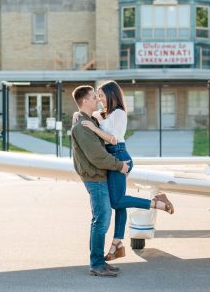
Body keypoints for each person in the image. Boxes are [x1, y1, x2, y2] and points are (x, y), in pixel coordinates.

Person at [73, 80, 174, 262]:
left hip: (119, 156)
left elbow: (113, 139)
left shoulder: (119, 113)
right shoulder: (104, 114)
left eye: (101, 95)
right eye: (96, 96)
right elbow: (84, 112)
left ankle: (157, 202)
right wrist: (77, 114)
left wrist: (95, 128)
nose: (99, 98)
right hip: (113, 158)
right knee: (119, 202)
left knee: (117, 200)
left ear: (111, 95)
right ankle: (117, 244)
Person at [71, 85, 130, 277]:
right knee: (101, 220)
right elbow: (97, 156)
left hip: (99, 176)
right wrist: (119, 165)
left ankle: (98, 261)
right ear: (85, 101)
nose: (97, 99)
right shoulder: (82, 125)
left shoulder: (87, 120)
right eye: (93, 97)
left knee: (101, 219)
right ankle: (96, 264)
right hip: (95, 178)